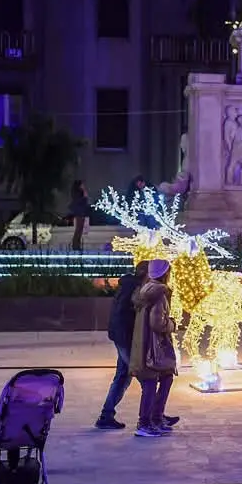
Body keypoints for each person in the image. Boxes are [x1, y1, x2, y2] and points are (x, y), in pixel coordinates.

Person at [96, 261, 151, 429]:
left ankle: (106, 416)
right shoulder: (136, 289)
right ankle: (154, 416)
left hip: (120, 336)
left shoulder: (128, 285)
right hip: (124, 337)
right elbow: (129, 315)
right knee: (145, 378)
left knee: (122, 376)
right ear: (145, 274)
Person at [129, 259, 179, 437]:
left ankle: (156, 418)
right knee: (150, 384)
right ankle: (144, 424)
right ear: (165, 274)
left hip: (145, 344)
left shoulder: (147, 290)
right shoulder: (159, 294)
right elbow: (157, 323)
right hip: (153, 346)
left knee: (166, 378)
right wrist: (172, 324)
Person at [69, 180, 92, 251]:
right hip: (80, 213)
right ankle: (75, 246)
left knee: (79, 230)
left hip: (81, 212)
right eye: (82, 184)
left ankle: (76, 246)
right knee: (78, 230)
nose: (83, 185)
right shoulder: (78, 192)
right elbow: (82, 201)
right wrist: (85, 196)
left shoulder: (78, 192)